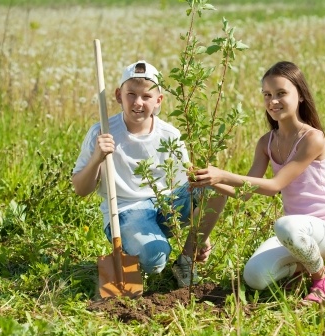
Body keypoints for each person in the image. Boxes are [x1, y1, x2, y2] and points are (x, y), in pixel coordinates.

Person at [189, 61, 325, 304]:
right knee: (255, 277)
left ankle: (321, 279)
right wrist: (209, 181)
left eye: (281, 93)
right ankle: (302, 267)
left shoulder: (312, 138)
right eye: (267, 95)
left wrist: (223, 174)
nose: (273, 101)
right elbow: (245, 194)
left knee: (285, 226)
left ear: (301, 96)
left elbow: (274, 186)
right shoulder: (266, 143)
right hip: (295, 233)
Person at [72, 60, 225, 288]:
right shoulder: (102, 132)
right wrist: (97, 157)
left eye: (146, 96)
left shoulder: (170, 134)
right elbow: (80, 189)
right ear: (118, 95)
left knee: (213, 185)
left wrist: (201, 236)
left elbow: (191, 186)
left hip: (166, 203)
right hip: (125, 210)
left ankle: (185, 261)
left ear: (158, 100)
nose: (138, 102)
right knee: (155, 260)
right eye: (131, 94)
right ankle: (147, 248)